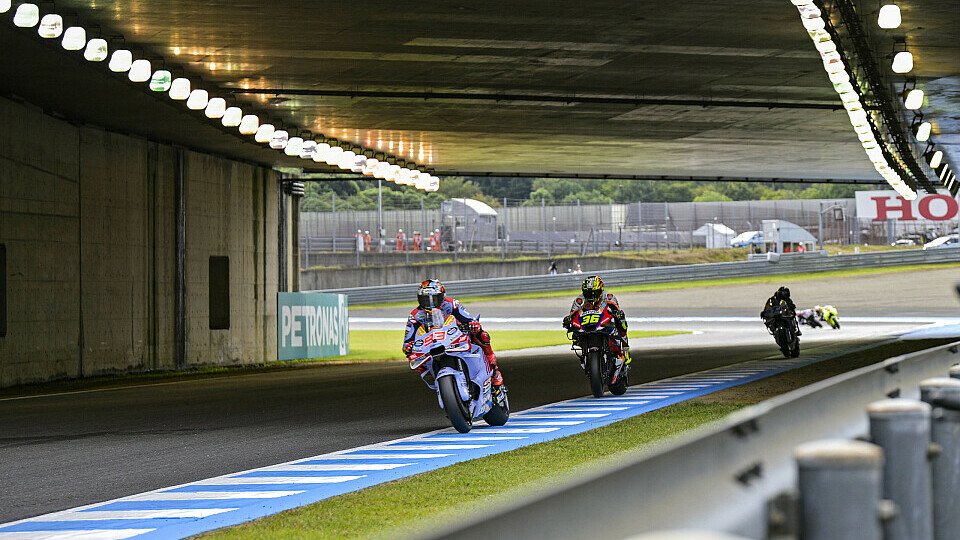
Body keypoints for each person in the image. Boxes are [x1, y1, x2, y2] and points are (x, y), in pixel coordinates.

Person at [402, 279, 504, 388]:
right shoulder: (415, 316)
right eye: (426, 299)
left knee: (481, 335)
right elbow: (407, 341)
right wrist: (408, 347)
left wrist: (472, 324)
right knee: (413, 357)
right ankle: (432, 375)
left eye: (434, 298)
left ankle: (494, 370)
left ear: (442, 296)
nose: (431, 303)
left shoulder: (452, 304)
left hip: (456, 335)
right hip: (431, 344)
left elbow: (468, 318)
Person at [562, 275, 630, 363]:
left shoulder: (609, 297)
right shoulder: (579, 300)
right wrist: (568, 320)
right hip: (586, 326)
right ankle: (585, 353)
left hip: (605, 323)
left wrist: (617, 314)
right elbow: (573, 316)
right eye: (588, 293)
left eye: (594, 293)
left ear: (601, 290)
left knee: (622, 322)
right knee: (574, 333)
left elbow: (616, 310)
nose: (591, 296)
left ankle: (625, 350)